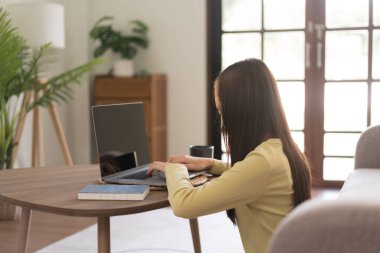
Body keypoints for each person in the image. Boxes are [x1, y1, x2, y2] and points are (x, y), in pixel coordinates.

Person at [147, 58, 312, 253]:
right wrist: (211, 164)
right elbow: (249, 175)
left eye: (221, 110)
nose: (223, 120)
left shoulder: (263, 163)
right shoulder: (280, 149)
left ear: (239, 110)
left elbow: (184, 205)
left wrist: (175, 169)